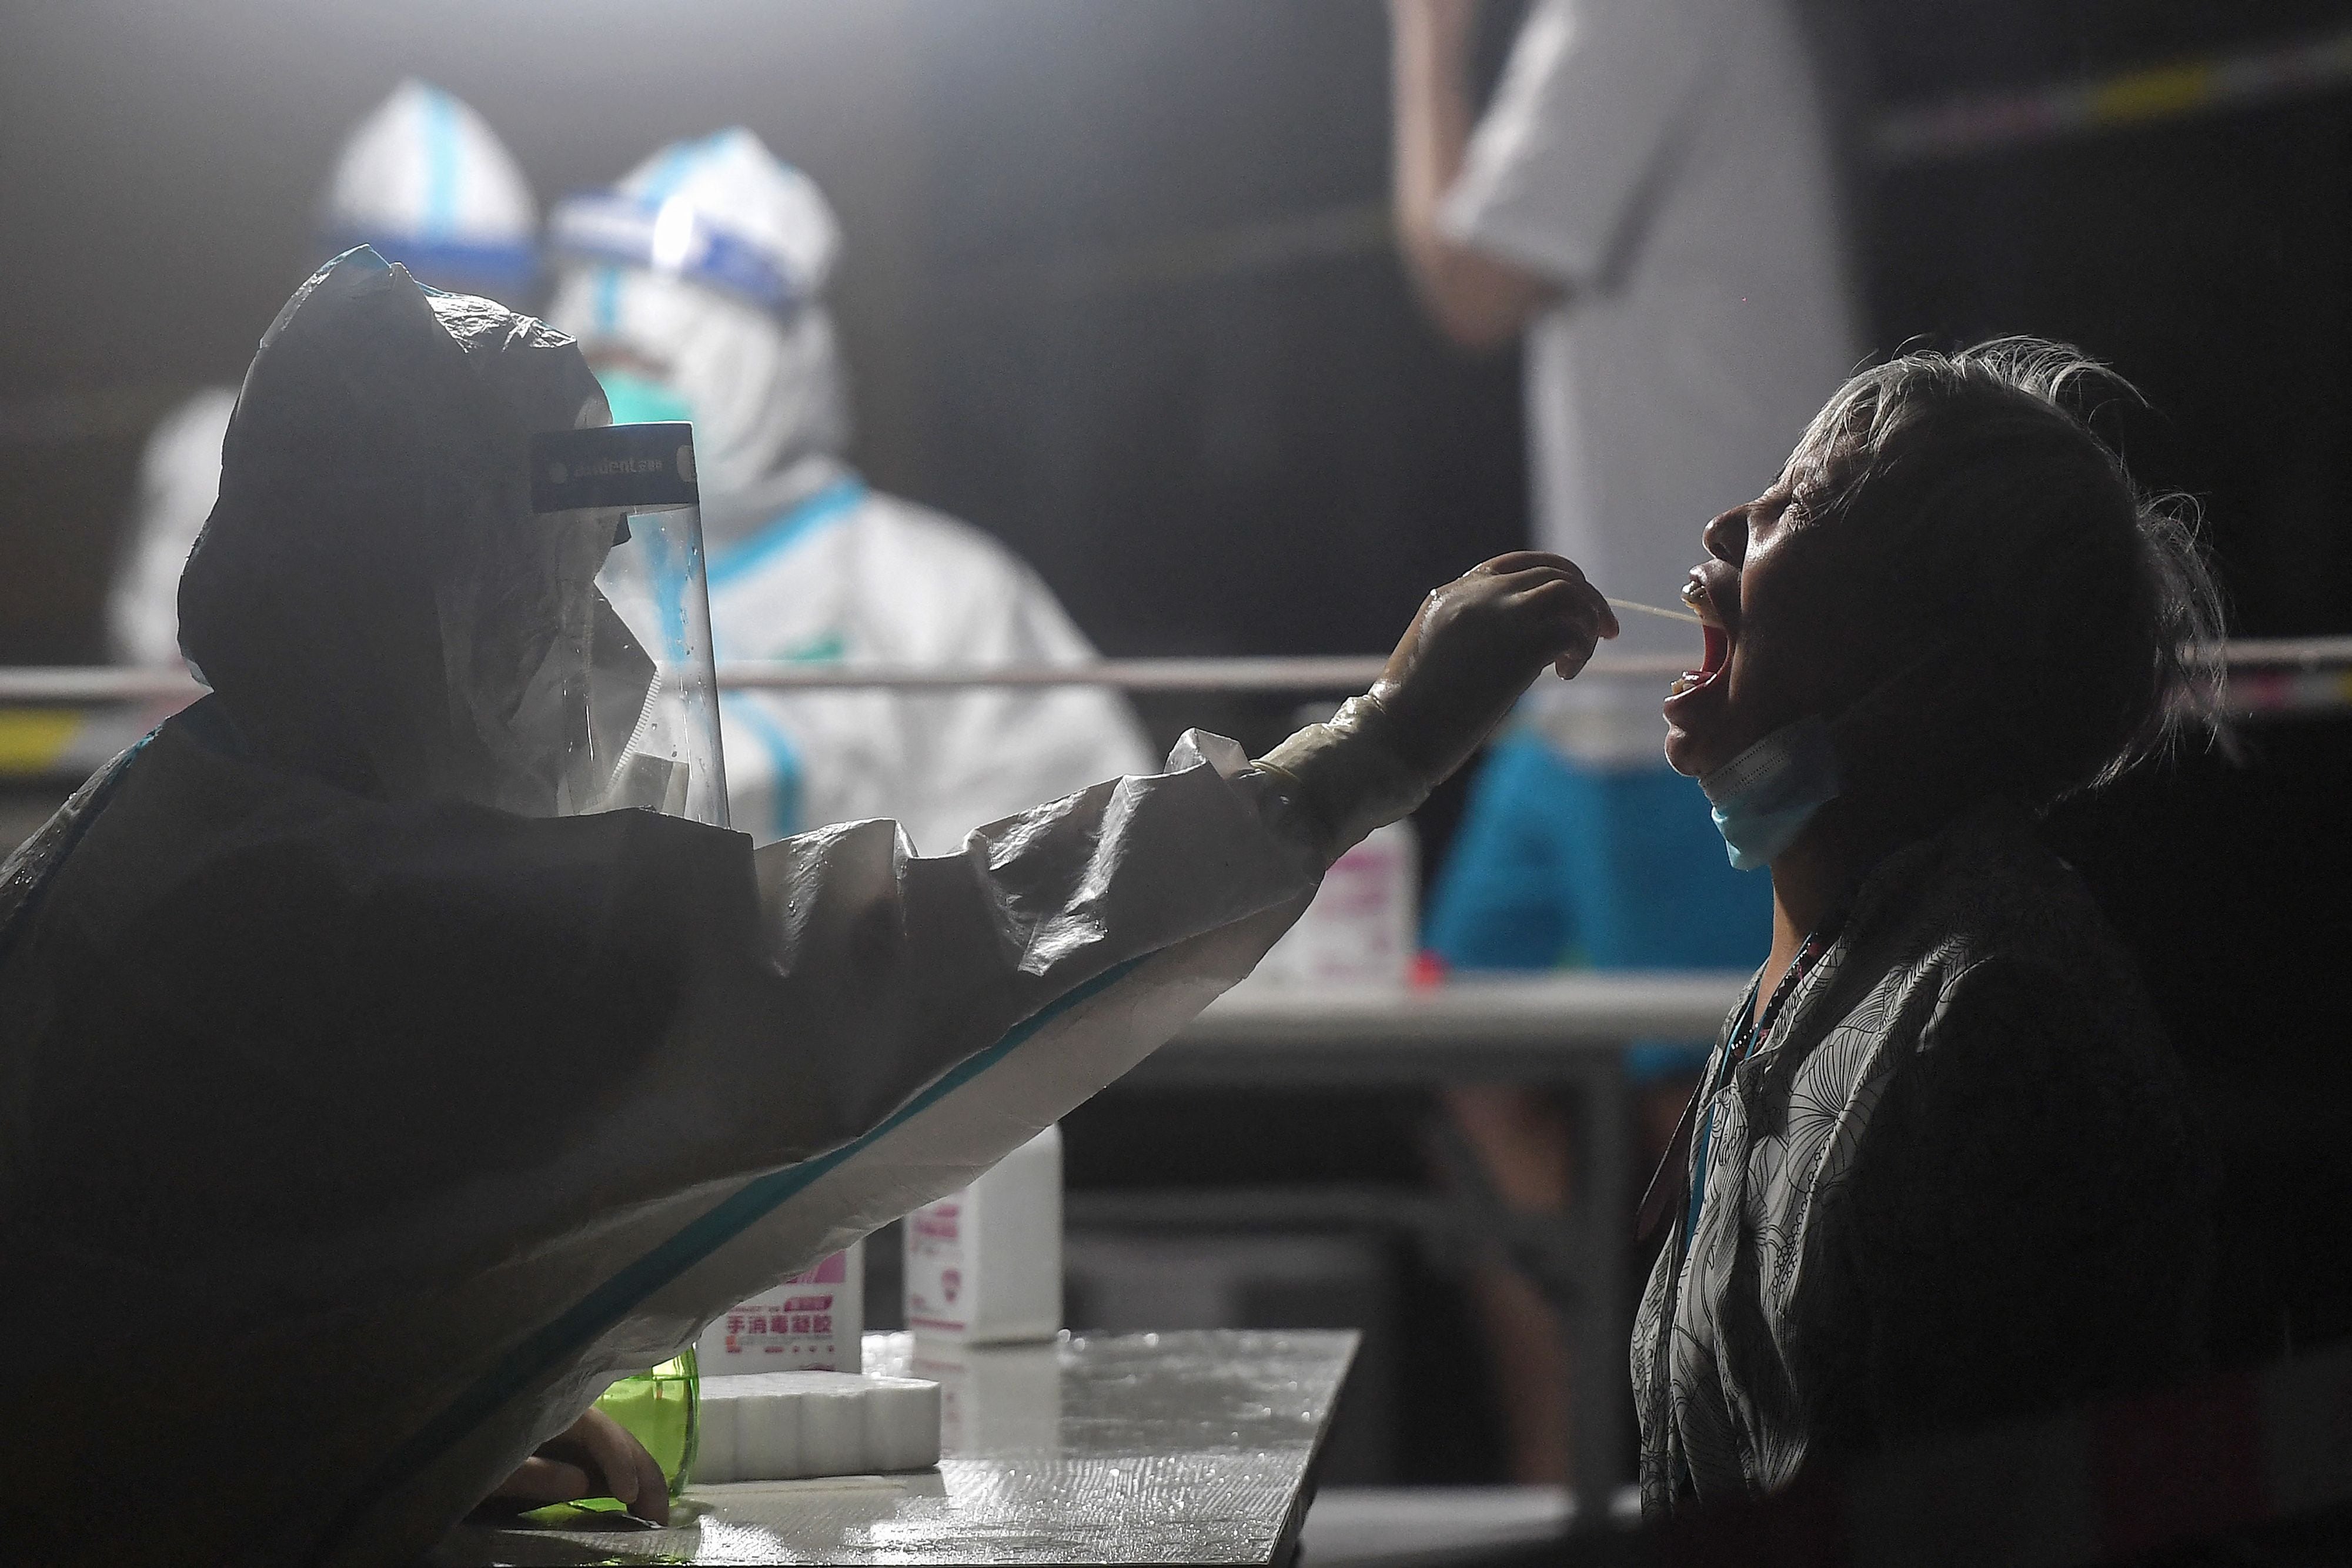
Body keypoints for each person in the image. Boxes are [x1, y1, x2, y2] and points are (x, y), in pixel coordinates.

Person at [0, 249, 1621, 1567]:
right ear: (442, 601)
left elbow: (215, 1313)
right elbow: (875, 969)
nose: (615, 663)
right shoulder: (350, 909)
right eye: (571, 593)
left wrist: (374, 1411)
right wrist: (1353, 762)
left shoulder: (191, 824)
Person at [1388, 0, 1861, 1482]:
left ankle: (1711, 1504)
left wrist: (1424, 45)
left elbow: (1466, 283)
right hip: (1599, 678)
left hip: (1705, 662)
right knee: (1467, 1065)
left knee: (1713, 1119)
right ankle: (1569, 1492)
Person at [1632, 339, 2220, 1511]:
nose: (1725, 523)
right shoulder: (1830, 971)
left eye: (1802, 500)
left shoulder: (1986, 1020)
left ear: (1928, 662)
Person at [543, 129, 1154, 852]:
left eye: (649, 366)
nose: (620, 401)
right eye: (598, 365)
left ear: (786, 369)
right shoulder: (521, 580)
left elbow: (1070, 868)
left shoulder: (942, 593)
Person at [106, 79, 540, 670]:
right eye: (405, 292)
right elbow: (158, 669)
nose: (440, 324)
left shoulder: (544, 467)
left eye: (474, 295)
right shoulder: (216, 453)